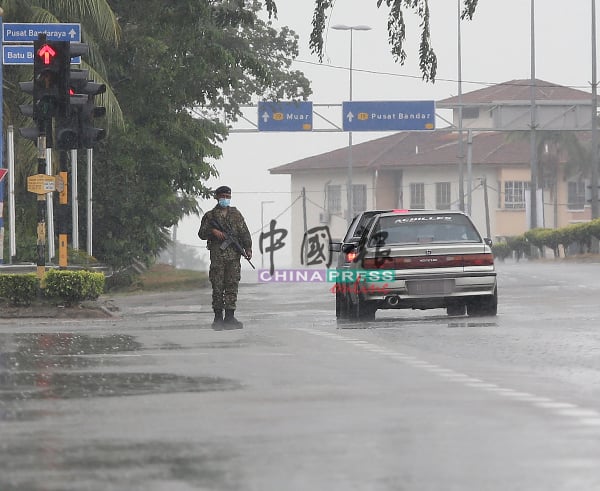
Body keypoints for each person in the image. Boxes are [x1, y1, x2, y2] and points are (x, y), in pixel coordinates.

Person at [198, 186, 252, 329]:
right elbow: (201, 234)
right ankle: (218, 318)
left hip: (234, 257)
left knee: (232, 285)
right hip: (218, 257)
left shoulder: (236, 215)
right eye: (223, 196)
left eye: (228, 197)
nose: (225, 199)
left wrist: (248, 248)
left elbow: (244, 232)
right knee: (217, 286)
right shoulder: (210, 216)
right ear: (217, 197)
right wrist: (213, 231)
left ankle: (230, 317)